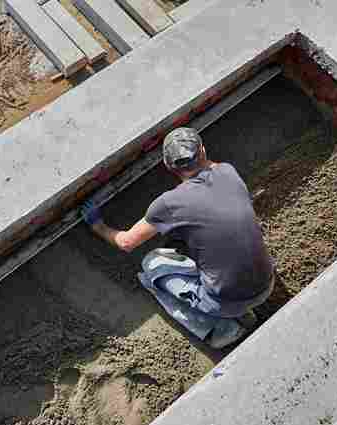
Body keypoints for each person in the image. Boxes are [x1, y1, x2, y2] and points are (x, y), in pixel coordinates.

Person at [81, 127, 274, 349]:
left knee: (151, 265)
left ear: (167, 166)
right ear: (203, 150)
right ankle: (238, 307)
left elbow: (126, 242)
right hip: (266, 282)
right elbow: (210, 171)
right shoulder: (228, 171)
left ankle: (221, 329)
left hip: (227, 301)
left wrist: (98, 226)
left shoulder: (170, 203)